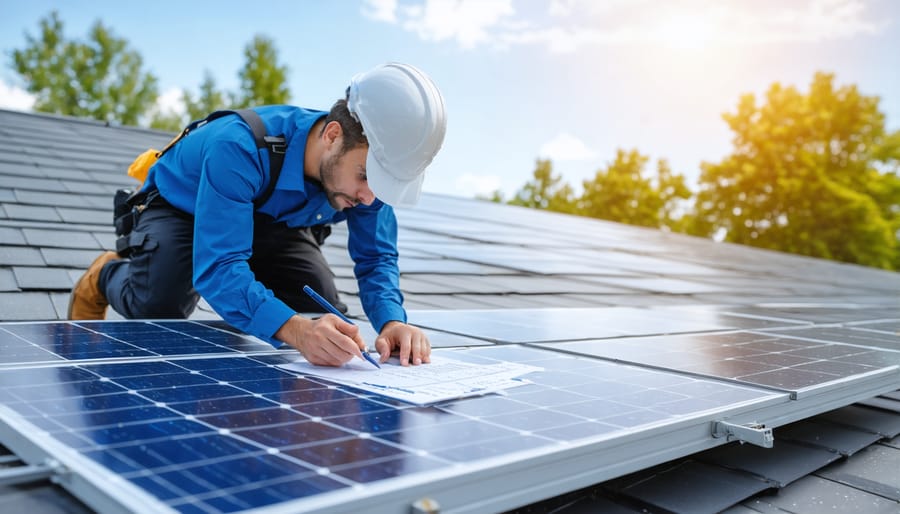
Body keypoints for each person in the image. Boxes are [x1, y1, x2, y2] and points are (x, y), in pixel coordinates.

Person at [68, 62, 446, 368]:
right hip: (185, 210)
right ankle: (106, 274)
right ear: (333, 135)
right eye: (364, 176)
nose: (368, 199)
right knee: (159, 306)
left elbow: (376, 258)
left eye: (381, 185)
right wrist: (295, 332)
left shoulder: (370, 179)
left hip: (273, 222)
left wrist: (393, 321)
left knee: (317, 313)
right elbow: (219, 267)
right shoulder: (239, 146)